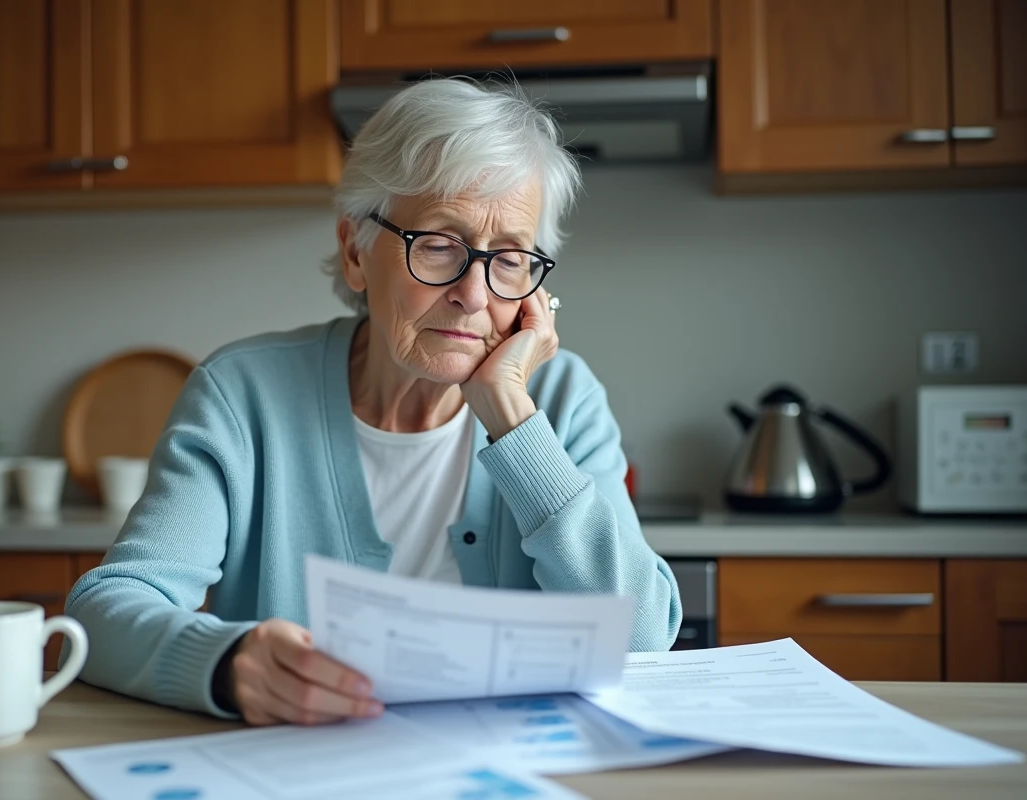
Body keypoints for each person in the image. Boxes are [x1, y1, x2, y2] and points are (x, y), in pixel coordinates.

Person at [65, 77, 682, 727]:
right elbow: (107, 607)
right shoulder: (242, 396)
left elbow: (639, 639)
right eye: (440, 244)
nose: (474, 294)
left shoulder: (561, 397)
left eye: (509, 260)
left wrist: (512, 417)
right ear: (356, 251)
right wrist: (224, 662)